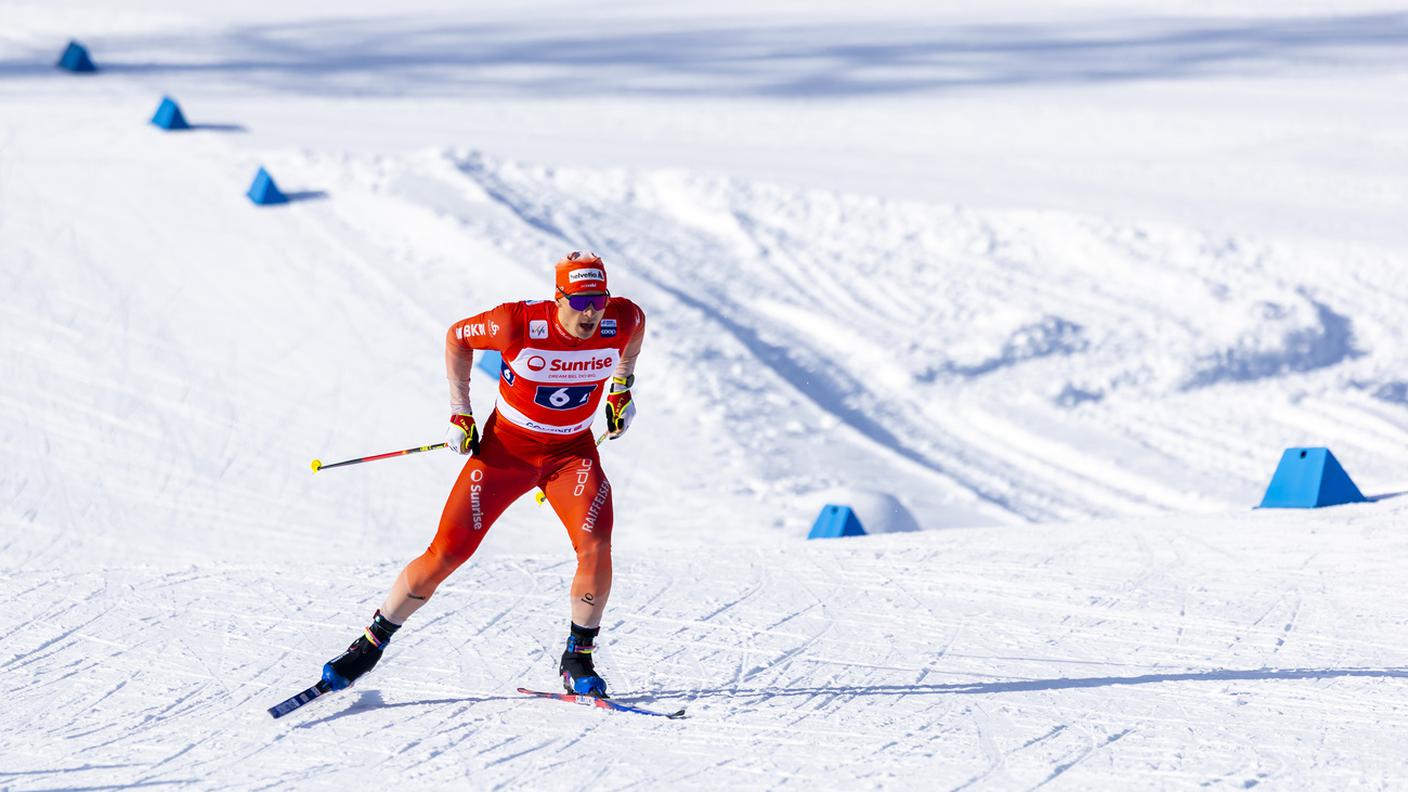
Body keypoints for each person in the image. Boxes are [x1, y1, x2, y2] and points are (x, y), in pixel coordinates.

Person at [321, 251, 645, 698]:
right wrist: (460, 413)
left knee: (595, 547)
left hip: (572, 454)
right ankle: (369, 645)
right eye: (580, 301)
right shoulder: (517, 324)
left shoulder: (622, 318)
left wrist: (622, 391)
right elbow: (458, 338)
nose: (591, 312)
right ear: (558, 298)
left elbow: (632, 337)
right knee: (447, 554)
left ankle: (578, 658)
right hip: (506, 452)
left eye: (598, 300)